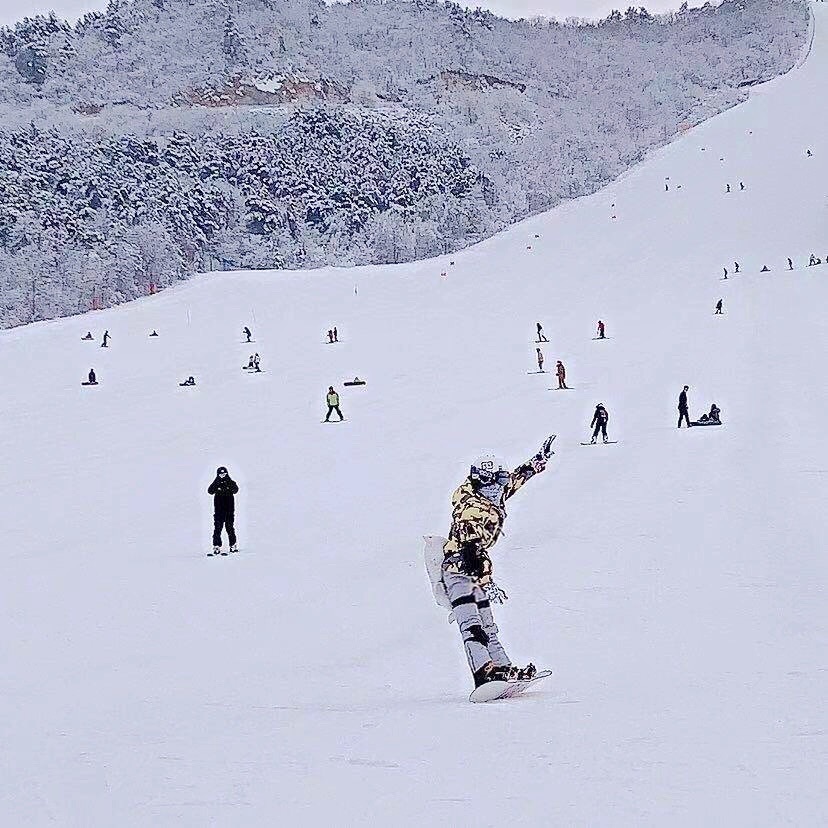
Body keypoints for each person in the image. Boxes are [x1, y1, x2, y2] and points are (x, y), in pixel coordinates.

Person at [441, 436, 555, 688]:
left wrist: (537, 461)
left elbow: (514, 481)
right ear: (485, 479)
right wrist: (487, 580)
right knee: (472, 625)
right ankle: (483, 672)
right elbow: (471, 549)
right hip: (459, 571)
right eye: (499, 480)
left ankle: (501, 667)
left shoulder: (490, 495)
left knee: (488, 625)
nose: (502, 486)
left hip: (474, 573)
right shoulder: (470, 509)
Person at [208, 467, 238, 555]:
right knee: (217, 529)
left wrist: (228, 482)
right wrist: (216, 482)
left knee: (230, 528)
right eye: (220, 474)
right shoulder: (216, 483)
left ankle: (233, 545)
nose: (222, 476)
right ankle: (216, 546)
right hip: (218, 512)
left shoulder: (230, 482)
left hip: (229, 511)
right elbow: (210, 491)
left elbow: (236, 490)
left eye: (224, 474)